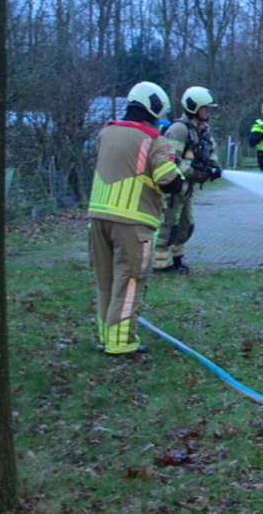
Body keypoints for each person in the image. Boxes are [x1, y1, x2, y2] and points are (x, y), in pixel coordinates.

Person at [87, 82, 185, 356]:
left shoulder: (106, 132)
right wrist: (180, 173)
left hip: (97, 218)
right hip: (133, 222)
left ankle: (107, 337)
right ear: (154, 108)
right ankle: (122, 344)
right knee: (130, 281)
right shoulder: (154, 140)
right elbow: (168, 180)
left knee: (105, 281)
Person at [155, 86, 221, 274]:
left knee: (186, 227)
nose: (208, 111)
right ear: (194, 107)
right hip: (174, 187)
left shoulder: (203, 129)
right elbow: (171, 157)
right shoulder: (178, 129)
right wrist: (193, 172)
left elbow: (211, 150)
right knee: (169, 226)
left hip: (188, 189)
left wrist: (213, 167)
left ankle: (177, 258)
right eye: (205, 108)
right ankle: (161, 265)